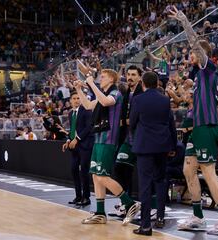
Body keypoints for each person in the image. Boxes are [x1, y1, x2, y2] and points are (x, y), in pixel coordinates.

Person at [169, 7, 218, 234]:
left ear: (201, 54)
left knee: (208, 171)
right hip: (197, 128)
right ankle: (198, 216)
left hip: (207, 127)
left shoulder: (208, 69)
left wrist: (184, 21)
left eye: (193, 52)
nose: (190, 54)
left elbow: (195, 41)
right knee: (189, 169)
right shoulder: (197, 75)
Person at [74, 69, 140, 225]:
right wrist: (79, 90)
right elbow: (89, 105)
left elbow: (104, 101)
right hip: (98, 139)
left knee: (102, 176)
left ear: (111, 79)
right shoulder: (103, 95)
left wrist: (90, 83)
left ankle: (130, 203)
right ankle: (100, 212)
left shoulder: (115, 94)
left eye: (102, 77)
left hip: (108, 140)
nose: (100, 79)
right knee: (96, 176)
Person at [129, 72, 176, 236]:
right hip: (162, 146)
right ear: (157, 83)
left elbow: (132, 122)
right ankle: (161, 217)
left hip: (144, 147)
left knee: (145, 186)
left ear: (143, 84)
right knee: (161, 181)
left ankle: (146, 226)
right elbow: (171, 123)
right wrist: (173, 145)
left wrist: (135, 137)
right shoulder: (165, 100)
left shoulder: (137, 100)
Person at [109, 65, 144, 217]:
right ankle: (126, 203)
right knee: (119, 169)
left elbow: (143, 115)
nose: (130, 77)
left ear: (139, 77)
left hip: (140, 139)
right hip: (126, 139)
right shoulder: (126, 92)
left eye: (133, 75)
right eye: (128, 74)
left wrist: (129, 121)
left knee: (140, 174)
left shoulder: (142, 93)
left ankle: (147, 207)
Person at [62, 91, 94, 206]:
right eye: (74, 98)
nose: (76, 100)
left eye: (78, 98)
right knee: (74, 170)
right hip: (75, 146)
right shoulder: (71, 113)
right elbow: (72, 130)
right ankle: (78, 196)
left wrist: (77, 139)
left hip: (85, 145)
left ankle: (86, 197)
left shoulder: (86, 110)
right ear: (70, 101)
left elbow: (89, 127)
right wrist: (68, 140)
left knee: (84, 171)